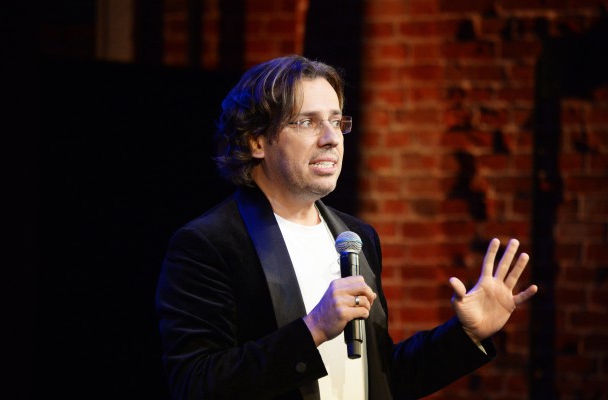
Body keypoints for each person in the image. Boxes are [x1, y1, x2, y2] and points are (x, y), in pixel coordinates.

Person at [155, 55, 538, 400]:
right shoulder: (210, 244)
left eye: (337, 121)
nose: (331, 138)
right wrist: (313, 329)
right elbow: (196, 383)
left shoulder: (355, 238)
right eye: (307, 122)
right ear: (257, 141)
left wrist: (465, 334)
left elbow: (380, 379)